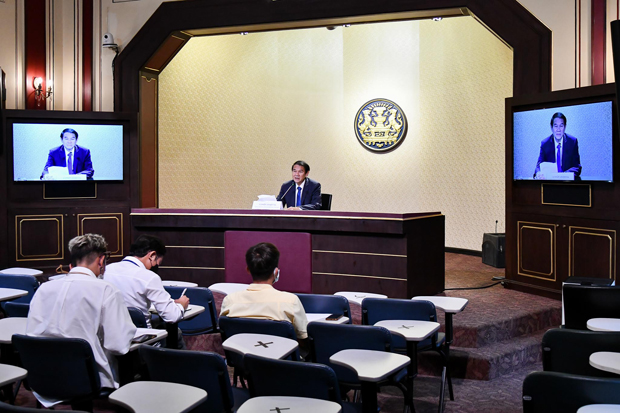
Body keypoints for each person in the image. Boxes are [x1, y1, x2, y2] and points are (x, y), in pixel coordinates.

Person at [26, 234, 136, 397]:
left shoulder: (44, 288)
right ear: (101, 260)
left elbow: (31, 334)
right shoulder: (106, 290)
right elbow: (118, 345)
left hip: (42, 375)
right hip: (88, 378)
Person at [104, 234, 189, 348]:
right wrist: (181, 305)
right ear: (152, 255)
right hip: (143, 341)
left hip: (112, 336)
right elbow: (172, 316)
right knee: (175, 333)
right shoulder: (148, 277)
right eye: (157, 263)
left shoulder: (107, 270)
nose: (156, 267)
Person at [220, 242, 309, 344]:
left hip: (242, 358)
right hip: (279, 358)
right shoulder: (290, 301)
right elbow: (303, 339)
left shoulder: (230, 300)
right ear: (276, 272)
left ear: (248, 270)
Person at [534, 113, 582, 179]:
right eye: (556, 126)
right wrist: (538, 173)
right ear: (551, 128)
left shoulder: (572, 142)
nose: (558, 130)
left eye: (561, 126)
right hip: (550, 184)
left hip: (568, 183)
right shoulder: (545, 144)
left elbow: (577, 167)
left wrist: (563, 176)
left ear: (565, 127)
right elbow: (539, 166)